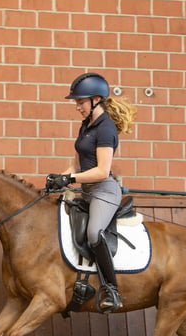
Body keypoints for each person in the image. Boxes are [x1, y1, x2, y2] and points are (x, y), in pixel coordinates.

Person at [45, 72, 137, 313]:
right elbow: (76, 163)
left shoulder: (106, 129)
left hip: (104, 192)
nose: (77, 107)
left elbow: (101, 171)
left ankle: (112, 290)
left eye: (80, 102)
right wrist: (60, 178)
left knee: (95, 233)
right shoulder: (86, 124)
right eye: (77, 102)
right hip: (86, 190)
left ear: (96, 99)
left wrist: (71, 179)